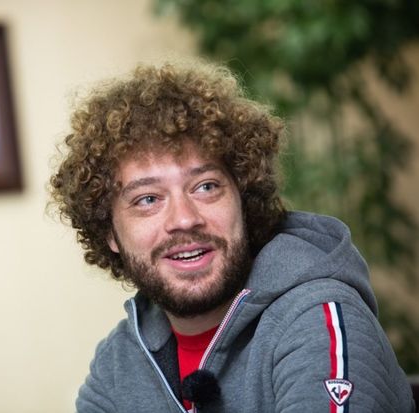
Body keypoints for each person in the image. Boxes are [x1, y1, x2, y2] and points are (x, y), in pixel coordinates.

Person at [49, 61, 416, 412]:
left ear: (243, 198)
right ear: (110, 233)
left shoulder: (319, 319)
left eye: (206, 186)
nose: (185, 219)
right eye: (148, 199)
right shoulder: (117, 366)